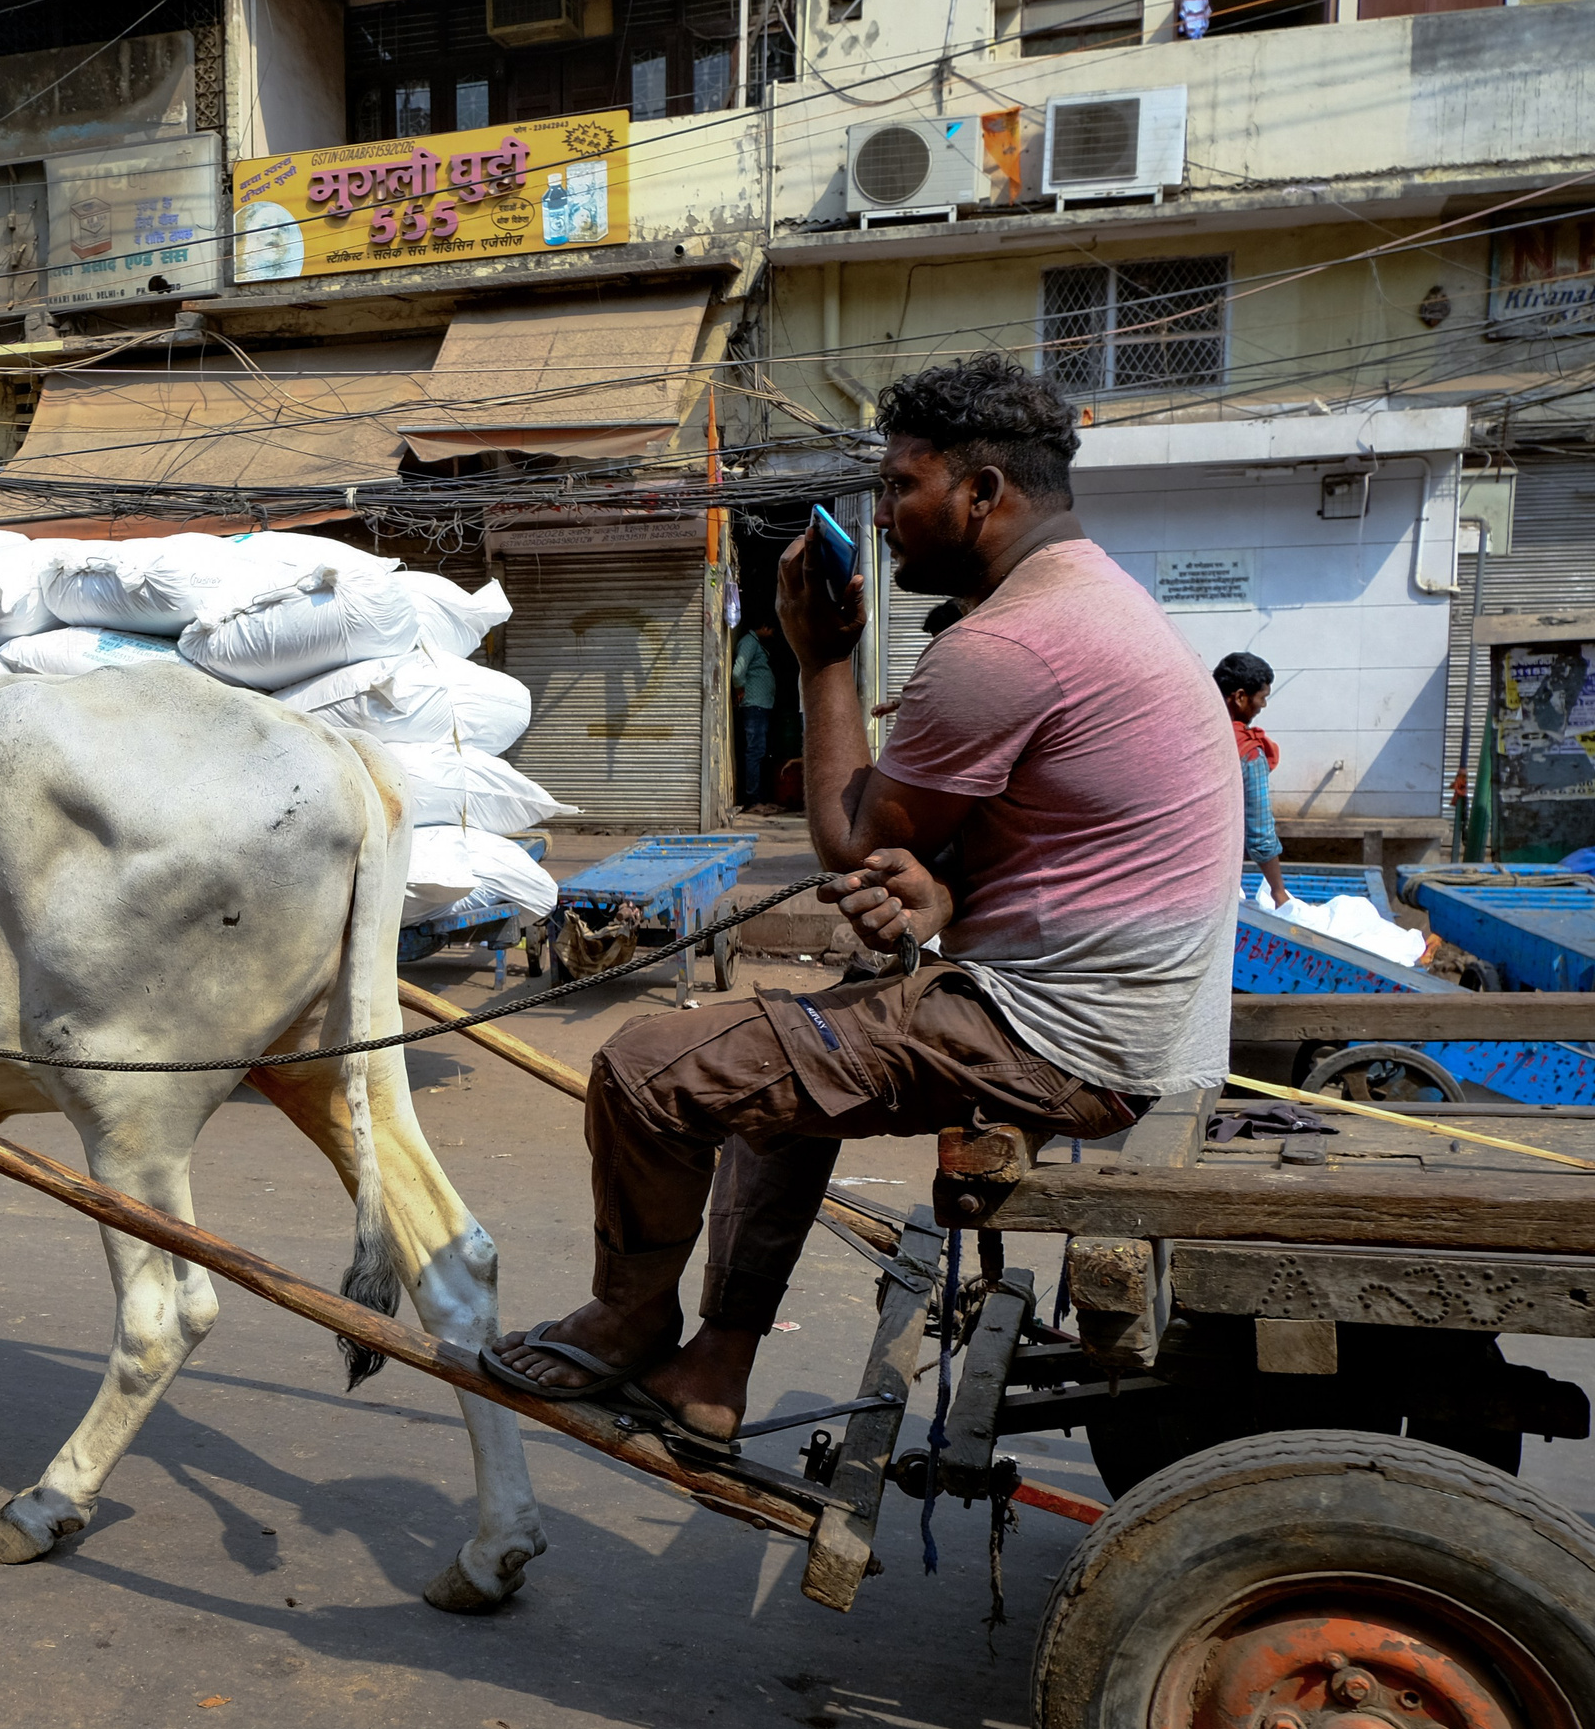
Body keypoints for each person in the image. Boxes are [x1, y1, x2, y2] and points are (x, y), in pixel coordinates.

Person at [481, 353, 1242, 1441]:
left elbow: (848, 839)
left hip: (1057, 1035)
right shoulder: (1098, 600)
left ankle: (628, 1318)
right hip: (1117, 1015)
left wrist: (820, 658)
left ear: (981, 492)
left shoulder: (1004, 644)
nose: (881, 515)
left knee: (645, 1072)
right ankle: (715, 1365)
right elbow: (1005, 843)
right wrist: (932, 894)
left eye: (900, 487)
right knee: (777, 1064)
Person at [1216, 651, 1287, 908]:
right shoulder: (1249, 752)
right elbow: (1260, 833)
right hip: (1212, 875)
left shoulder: (1188, 733)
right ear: (1240, 697)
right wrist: (1278, 892)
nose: (1263, 706)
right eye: (1262, 698)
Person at [733, 621, 779, 809]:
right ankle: (753, 800)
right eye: (772, 629)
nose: (773, 634)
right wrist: (740, 689)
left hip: (760, 705)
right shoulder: (749, 642)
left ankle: (758, 797)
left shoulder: (754, 643)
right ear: (765, 626)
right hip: (754, 705)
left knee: (758, 751)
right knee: (755, 751)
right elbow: (737, 673)